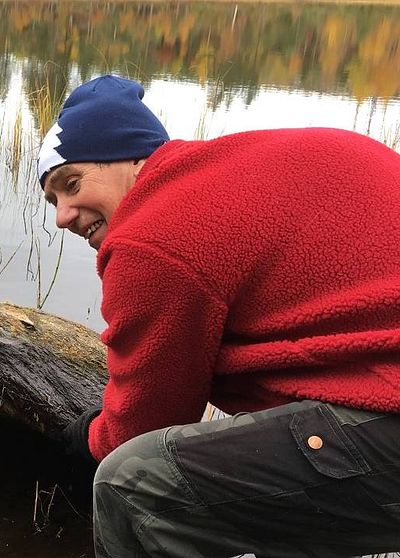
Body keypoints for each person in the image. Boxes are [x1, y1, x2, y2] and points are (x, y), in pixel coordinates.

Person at [37, 75, 400, 557]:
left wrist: (91, 434)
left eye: (72, 183)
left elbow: (144, 424)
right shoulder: (239, 173)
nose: (63, 215)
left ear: (131, 158)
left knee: (132, 486)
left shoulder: (151, 237)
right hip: (379, 400)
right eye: (53, 200)